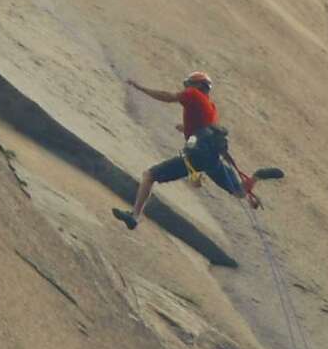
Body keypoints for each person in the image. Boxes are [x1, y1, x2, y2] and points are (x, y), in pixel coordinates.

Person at [113, 71, 266, 230]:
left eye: (189, 84)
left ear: (198, 85)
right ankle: (255, 178)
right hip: (212, 158)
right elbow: (204, 129)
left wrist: (141, 88)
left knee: (149, 175)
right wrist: (186, 128)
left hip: (195, 156)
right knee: (239, 192)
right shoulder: (211, 108)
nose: (187, 88)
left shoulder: (193, 94)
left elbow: (168, 96)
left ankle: (135, 216)